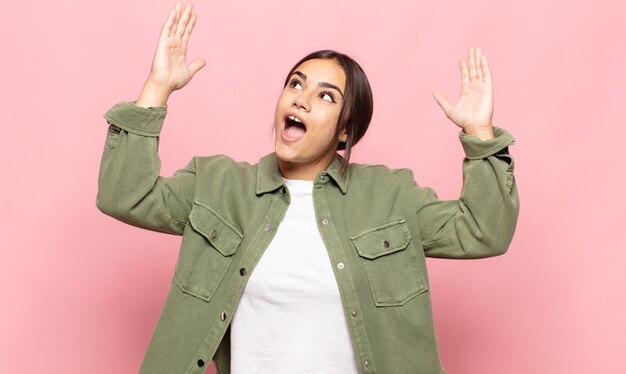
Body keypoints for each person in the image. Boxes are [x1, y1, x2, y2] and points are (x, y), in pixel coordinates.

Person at [96, 1, 519, 373]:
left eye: (326, 96)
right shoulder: (216, 185)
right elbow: (124, 195)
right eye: (295, 84)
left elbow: (485, 231)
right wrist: (156, 89)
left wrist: (479, 135)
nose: (300, 98)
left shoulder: (391, 195)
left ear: (344, 133)